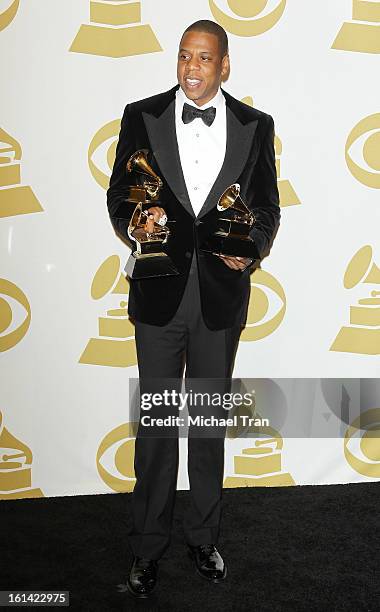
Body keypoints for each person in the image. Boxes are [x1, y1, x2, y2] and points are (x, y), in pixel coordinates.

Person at [107, 19, 280, 598]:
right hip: (158, 295)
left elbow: (267, 207)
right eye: (184, 57)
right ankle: (146, 547)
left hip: (219, 299)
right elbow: (120, 194)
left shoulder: (256, 127)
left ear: (224, 66)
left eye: (204, 59)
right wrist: (136, 224)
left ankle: (204, 537)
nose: (191, 68)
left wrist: (250, 250)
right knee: (157, 428)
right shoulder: (142, 114)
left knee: (205, 426)